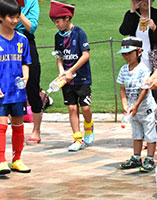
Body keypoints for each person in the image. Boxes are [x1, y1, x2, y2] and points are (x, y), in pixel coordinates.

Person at [119, 0, 157, 150]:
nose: (144, 2)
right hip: (139, 65)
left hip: (155, 63)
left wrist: (154, 27)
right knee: (140, 102)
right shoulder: (133, 16)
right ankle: (142, 137)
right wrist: (132, 10)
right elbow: (123, 30)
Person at [49, 0, 94, 151]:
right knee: (72, 108)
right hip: (66, 81)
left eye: (58, 21)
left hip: (82, 78)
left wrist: (71, 70)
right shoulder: (58, 37)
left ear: (67, 18)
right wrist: (62, 71)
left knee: (85, 107)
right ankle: (77, 138)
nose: (56, 25)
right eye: (54, 22)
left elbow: (85, 55)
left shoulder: (79, 33)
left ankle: (89, 126)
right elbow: (59, 56)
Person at [117, 37, 157, 173]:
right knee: (136, 134)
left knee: (150, 134)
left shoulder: (143, 70)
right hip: (133, 110)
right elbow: (122, 89)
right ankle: (136, 157)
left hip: (145, 109)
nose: (126, 56)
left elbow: (144, 90)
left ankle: (150, 158)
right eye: (124, 54)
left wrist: (136, 105)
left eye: (129, 53)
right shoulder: (123, 70)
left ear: (139, 52)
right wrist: (125, 105)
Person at [0, 0, 31, 174]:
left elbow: (26, 61)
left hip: (17, 91)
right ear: (1, 17)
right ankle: (1, 160)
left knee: (18, 124)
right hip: (1, 91)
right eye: (10, 17)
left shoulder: (22, 40)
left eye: (17, 17)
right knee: (1, 125)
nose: (14, 21)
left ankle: (17, 159)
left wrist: (26, 76)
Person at [14, 0, 43, 145]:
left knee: (32, 86)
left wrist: (17, 12)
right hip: (7, 39)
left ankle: (36, 130)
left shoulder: (32, 2)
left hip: (26, 40)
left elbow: (31, 27)